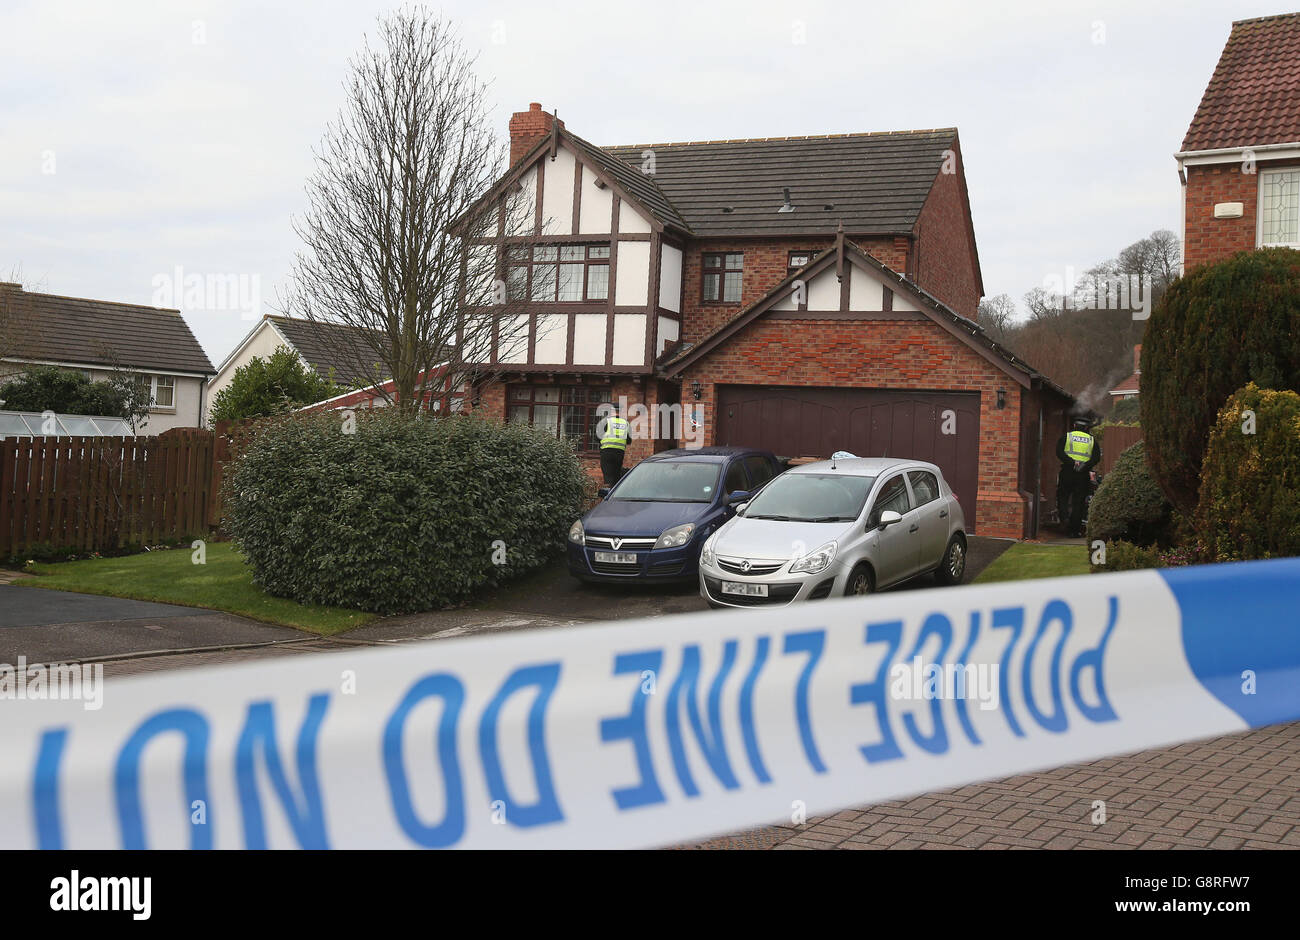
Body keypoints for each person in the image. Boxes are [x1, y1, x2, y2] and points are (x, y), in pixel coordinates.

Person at [1056, 416, 1101, 538]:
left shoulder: (1067, 436)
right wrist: (1085, 465)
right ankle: (1074, 531)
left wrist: (1072, 462)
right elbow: (1096, 457)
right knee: (1079, 502)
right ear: (1086, 428)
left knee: (1062, 495)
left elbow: (1059, 452)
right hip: (1082, 474)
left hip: (1067, 471)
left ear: (1075, 426)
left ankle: (1064, 517)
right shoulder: (1091, 440)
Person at [598, 403, 630, 486]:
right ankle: (614, 493)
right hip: (619, 453)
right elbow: (629, 440)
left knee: (608, 476)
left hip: (607, 452)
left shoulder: (605, 421)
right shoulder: (625, 423)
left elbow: (597, 437)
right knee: (616, 476)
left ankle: (607, 495)